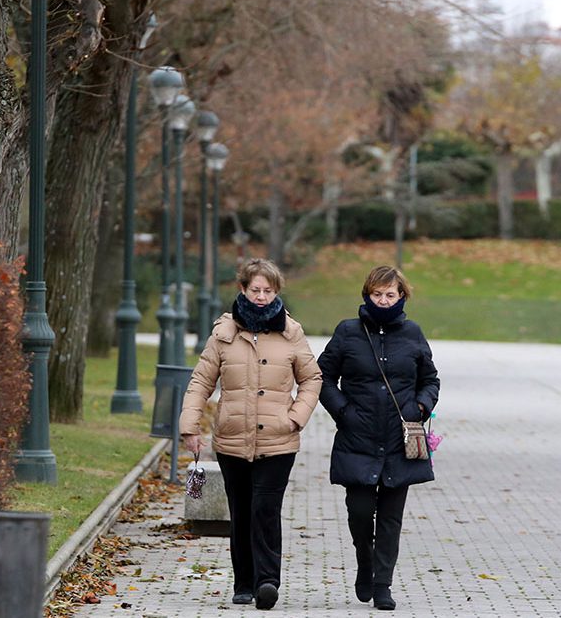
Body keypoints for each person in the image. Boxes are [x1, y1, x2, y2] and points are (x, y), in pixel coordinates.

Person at [179, 258, 322, 611]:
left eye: (268, 290)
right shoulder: (223, 335)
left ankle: (267, 581)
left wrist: (295, 417)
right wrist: (189, 426)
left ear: (277, 292)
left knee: (265, 508)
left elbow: (312, 379)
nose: (261, 296)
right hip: (231, 439)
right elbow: (200, 382)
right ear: (242, 289)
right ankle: (243, 582)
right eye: (255, 290)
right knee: (240, 511)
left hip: (278, 440)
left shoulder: (291, 333)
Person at [316, 265, 439, 611]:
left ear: (401, 296)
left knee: (390, 518)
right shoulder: (347, 332)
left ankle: (382, 583)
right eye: (377, 294)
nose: (383, 301)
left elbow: (430, 379)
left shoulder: (413, 333)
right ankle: (365, 563)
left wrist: (421, 406)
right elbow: (322, 377)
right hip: (359, 437)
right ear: (366, 294)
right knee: (359, 512)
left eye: (390, 295)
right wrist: (344, 412)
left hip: (400, 438)